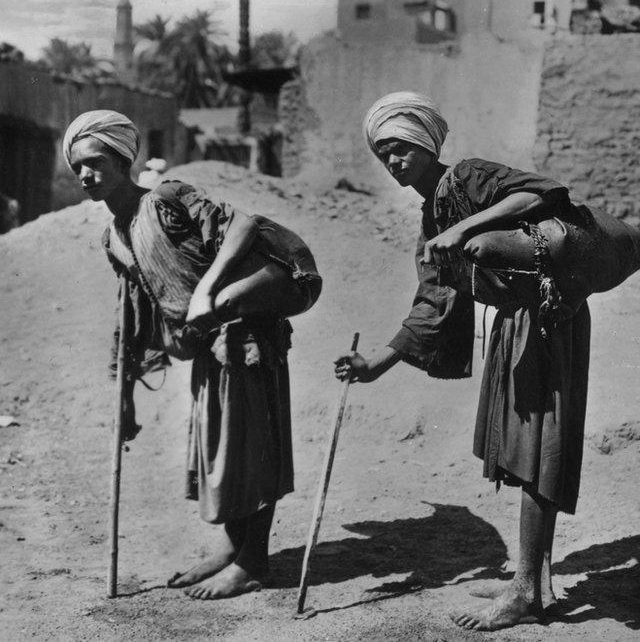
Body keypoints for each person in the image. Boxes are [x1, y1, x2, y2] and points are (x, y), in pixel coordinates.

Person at [334, 91, 640, 631]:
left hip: (548, 316)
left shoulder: (468, 177)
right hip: (513, 325)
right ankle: (531, 578)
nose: (392, 161)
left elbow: (539, 195)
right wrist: (374, 365)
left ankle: (526, 591)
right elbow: (433, 302)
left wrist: (466, 229)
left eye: (400, 148)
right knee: (522, 450)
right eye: (383, 153)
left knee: (539, 448)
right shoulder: (433, 216)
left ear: (427, 143)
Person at [63, 110, 322, 600]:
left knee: (251, 448)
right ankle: (231, 545)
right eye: (77, 168)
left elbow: (243, 224)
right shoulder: (115, 237)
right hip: (206, 347)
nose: (85, 175)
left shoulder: (165, 199)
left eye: (94, 162)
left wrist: (207, 290)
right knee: (220, 451)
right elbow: (135, 315)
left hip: (245, 333)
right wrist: (126, 395)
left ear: (122, 159)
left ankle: (253, 561)